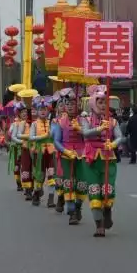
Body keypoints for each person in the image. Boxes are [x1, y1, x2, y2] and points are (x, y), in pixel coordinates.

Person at [80, 85, 125, 237]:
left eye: (105, 103)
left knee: (108, 189)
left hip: (108, 158)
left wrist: (113, 144)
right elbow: (85, 134)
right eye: (99, 102)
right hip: (91, 159)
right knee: (94, 190)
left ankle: (107, 210)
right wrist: (98, 130)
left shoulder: (112, 121)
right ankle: (99, 225)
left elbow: (120, 137)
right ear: (93, 103)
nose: (102, 106)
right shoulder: (85, 119)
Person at [53, 88, 86, 223]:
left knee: (82, 184)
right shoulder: (60, 122)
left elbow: (88, 136)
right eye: (68, 104)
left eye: (74, 104)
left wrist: (81, 129)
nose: (71, 107)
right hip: (66, 155)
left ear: (79, 105)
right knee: (69, 184)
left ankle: (78, 206)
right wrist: (64, 151)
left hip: (82, 154)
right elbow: (56, 141)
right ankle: (71, 212)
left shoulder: (84, 120)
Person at [28, 96, 58, 207]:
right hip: (38, 152)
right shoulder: (34, 124)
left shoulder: (52, 122)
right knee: (39, 176)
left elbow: (56, 136)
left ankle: (51, 199)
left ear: (48, 111)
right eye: (41, 110)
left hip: (50, 152)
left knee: (51, 175)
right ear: (37, 111)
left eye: (45, 109)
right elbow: (31, 138)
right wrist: (43, 137)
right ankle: (36, 193)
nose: (43, 112)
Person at [10, 103, 31, 197]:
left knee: (25, 166)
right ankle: (19, 183)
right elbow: (11, 135)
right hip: (16, 147)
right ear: (19, 114)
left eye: (26, 112)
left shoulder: (29, 123)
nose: (25, 114)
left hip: (26, 148)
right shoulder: (15, 124)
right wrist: (20, 141)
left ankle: (27, 185)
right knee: (17, 166)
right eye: (22, 112)